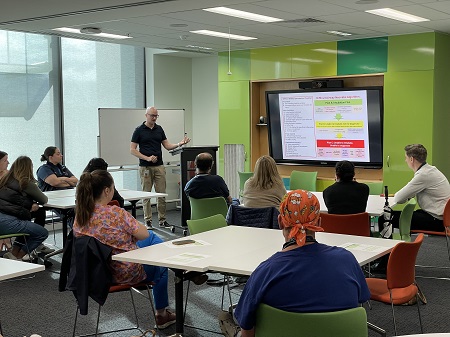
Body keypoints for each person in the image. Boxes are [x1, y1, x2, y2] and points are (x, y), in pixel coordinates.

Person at [219, 190, 370, 337]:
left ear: (280, 222)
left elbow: (248, 333)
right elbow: (361, 298)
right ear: (318, 222)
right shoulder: (347, 260)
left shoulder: (265, 272)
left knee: (231, 322)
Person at [73, 170, 176, 329]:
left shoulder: (80, 216)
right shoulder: (116, 213)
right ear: (107, 190)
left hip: (97, 274)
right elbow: (143, 234)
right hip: (126, 272)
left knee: (151, 239)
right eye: (113, 187)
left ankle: (173, 262)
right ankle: (162, 313)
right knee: (159, 258)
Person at [130, 107, 190, 229]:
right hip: (145, 166)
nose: (154, 118)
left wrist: (180, 144)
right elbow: (132, 150)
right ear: (146, 115)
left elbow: (167, 146)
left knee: (161, 194)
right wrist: (147, 158)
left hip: (159, 166)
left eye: (156, 116)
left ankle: (162, 220)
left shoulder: (159, 129)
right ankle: (148, 221)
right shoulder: (139, 130)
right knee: (146, 194)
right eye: (152, 115)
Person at [0, 156, 49, 260]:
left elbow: (12, 200)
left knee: (27, 222)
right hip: (8, 221)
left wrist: (28, 204)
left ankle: (13, 253)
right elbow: (44, 200)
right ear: (29, 168)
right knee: (42, 233)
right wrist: (32, 203)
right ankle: (17, 257)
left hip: (4, 217)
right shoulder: (26, 182)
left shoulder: (5, 179)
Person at [394, 144, 450, 232]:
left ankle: (386, 245)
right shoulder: (429, 170)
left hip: (436, 221)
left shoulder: (423, 175)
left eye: (406, 158)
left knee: (386, 217)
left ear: (411, 159)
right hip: (440, 217)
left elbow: (398, 198)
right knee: (409, 214)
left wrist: (404, 196)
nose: (405, 161)